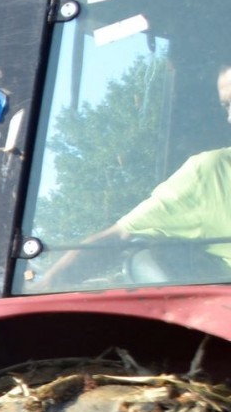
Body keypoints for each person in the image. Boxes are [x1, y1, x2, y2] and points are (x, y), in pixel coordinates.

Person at [41, 63, 231, 288]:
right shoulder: (210, 173)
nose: (230, 118)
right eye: (227, 106)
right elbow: (119, 236)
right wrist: (42, 290)